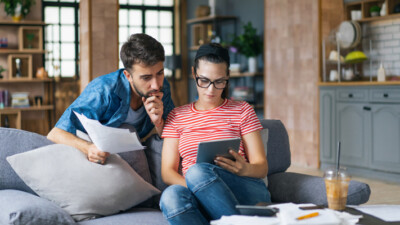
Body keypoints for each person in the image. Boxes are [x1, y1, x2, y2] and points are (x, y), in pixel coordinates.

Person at [159, 43, 271, 225]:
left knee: (196, 172)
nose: (211, 90)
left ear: (227, 77)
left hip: (243, 187)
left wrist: (246, 169)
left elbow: (262, 167)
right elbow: (167, 172)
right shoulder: (177, 116)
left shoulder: (242, 110)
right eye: (204, 80)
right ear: (194, 73)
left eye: (219, 82)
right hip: (195, 190)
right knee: (171, 196)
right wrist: (199, 189)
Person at [47, 33, 174, 165]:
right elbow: (55, 134)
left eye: (160, 73)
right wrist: (88, 148)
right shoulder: (103, 89)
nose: (156, 84)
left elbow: (174, 133)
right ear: (128, 76)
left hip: (135, 149)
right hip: (100, 153)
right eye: (146, 78)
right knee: (126, 129)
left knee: (166, 145)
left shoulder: (162, 86)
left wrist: (158, 123)